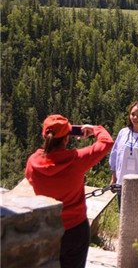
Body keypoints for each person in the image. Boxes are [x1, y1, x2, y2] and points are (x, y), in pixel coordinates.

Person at [25, 114, 114, 268]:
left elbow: (30, 176)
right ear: (67, 139)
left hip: (47, 228)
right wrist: (95, 129)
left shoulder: (33, 163)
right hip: (75, 229)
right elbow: (106, 142)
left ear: (45, 136)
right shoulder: (76, 159)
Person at [109, 101, 138, 206]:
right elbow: (114, 155)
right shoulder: (123, 133)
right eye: (133, 114)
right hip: (122, 181)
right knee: (122, 213)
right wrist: (113, 178)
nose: (135, 117)